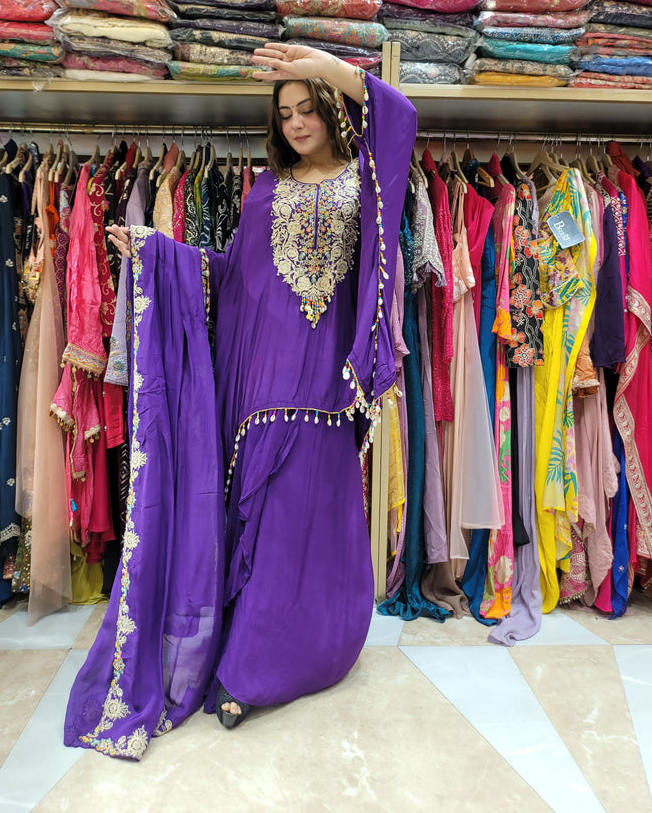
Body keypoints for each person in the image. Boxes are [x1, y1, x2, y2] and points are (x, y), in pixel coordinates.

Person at [64, 43, 417, 756]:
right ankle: (244, 666)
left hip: (325, 390)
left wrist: (324, 63)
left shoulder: (366, 183)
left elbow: (401, 116)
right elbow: (231, 279)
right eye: (285, 114)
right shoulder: (262, 190)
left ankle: (295, 652)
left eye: (308, 108)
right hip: (258, 389)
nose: (296, 124)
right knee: (261, 526)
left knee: (305, 522)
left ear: (332, 109)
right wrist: (158, 252)